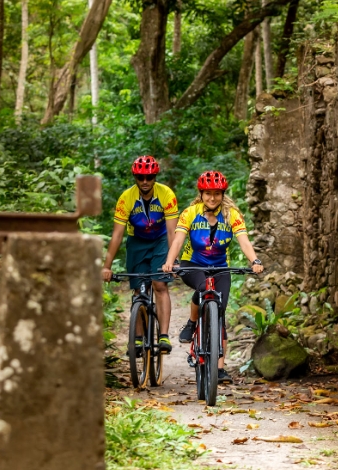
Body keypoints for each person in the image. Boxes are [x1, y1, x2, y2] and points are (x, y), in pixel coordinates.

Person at [162, 170, 264, 383]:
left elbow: (244, 241)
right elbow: (178, 240)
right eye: (208, 193)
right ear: (201, 194)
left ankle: (219, 368)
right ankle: (192, 322)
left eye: (217, 194)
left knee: (219, 313)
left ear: (222, 194)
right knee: (202, 288)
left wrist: (255, 261)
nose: (212, 198)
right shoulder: (191, 212)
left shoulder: (232, 215)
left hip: (220, 267)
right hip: (193, 264)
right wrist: (170, 261)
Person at [102, 156, 178, 353]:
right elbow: (117, 235)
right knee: (139, 288)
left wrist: (172, 260)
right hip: (137, 241)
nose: (145, 182)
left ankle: (163, 336)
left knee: (159, 284)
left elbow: (172, 232)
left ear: (155, 177)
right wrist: (106, 266)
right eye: (141, 177)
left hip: (161, 240)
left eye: (149, 177)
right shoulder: (126, 198)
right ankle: (137, 339)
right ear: (135, 177)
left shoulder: (166, 194)